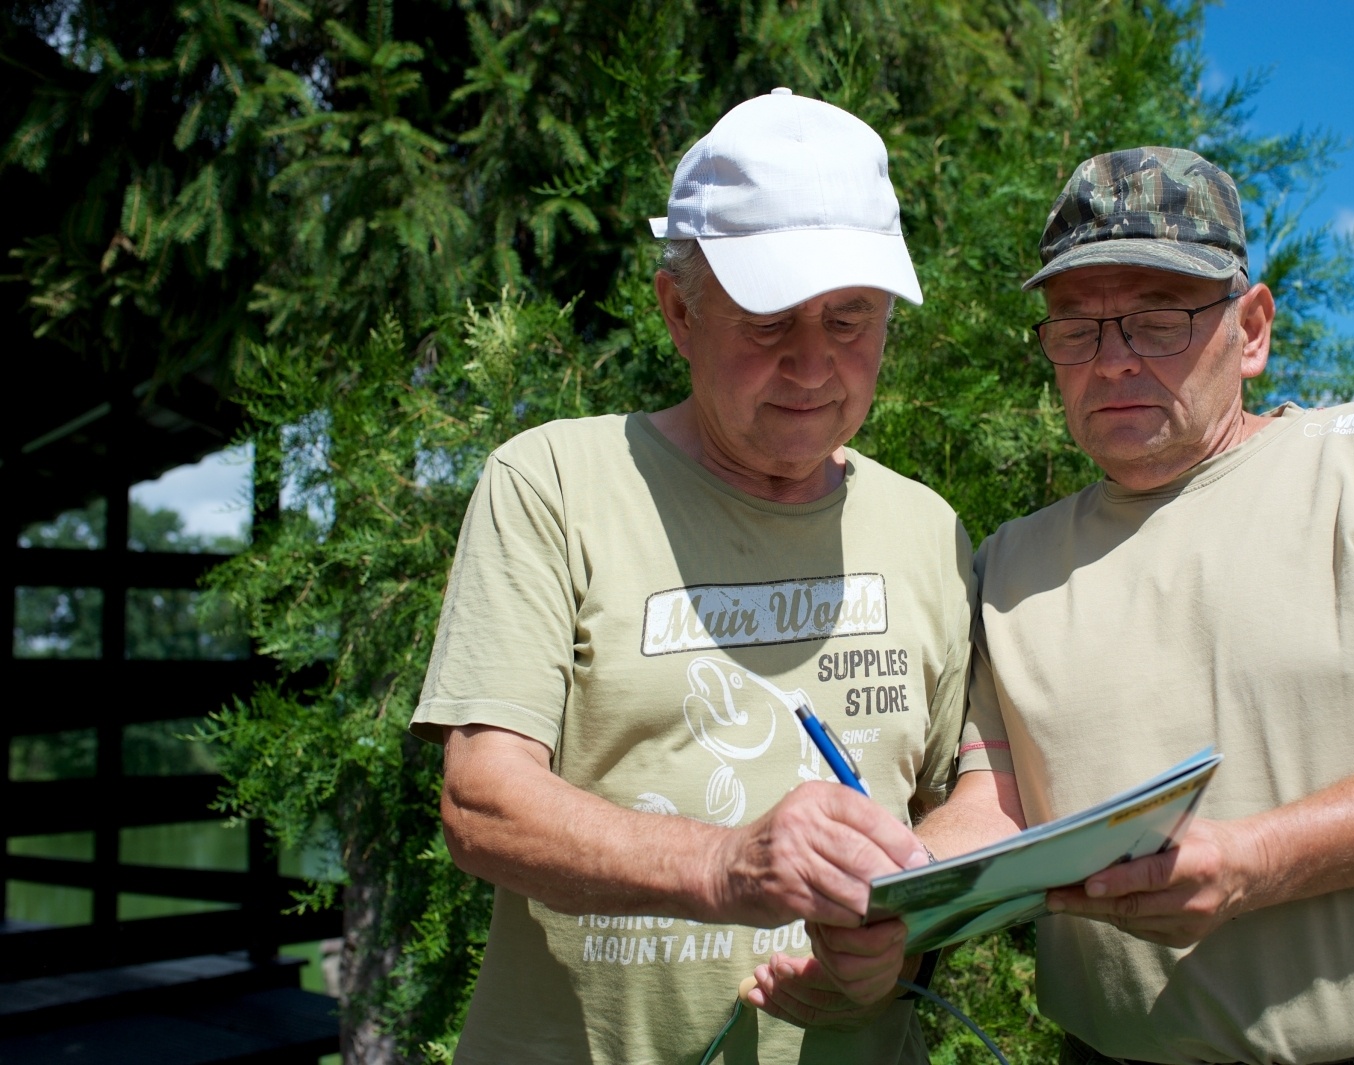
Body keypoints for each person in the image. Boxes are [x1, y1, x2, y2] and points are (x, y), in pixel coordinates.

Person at [750, 146, 1354, 1065]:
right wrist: (888, 900)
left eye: (1156, 320)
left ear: (1253, 328)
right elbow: (1000, 804)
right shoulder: (1011, 563)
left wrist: (1257, 860)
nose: (1111, 363)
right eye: (1076, 329)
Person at [407, 88, 972, 1064]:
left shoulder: (927, 528)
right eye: (765, 321)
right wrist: (724, 865)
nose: (810, 363)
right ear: (678, 310)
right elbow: (482, 801)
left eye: (850, 319)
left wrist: (903, 933)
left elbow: (970, 800)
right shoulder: (552, 484)